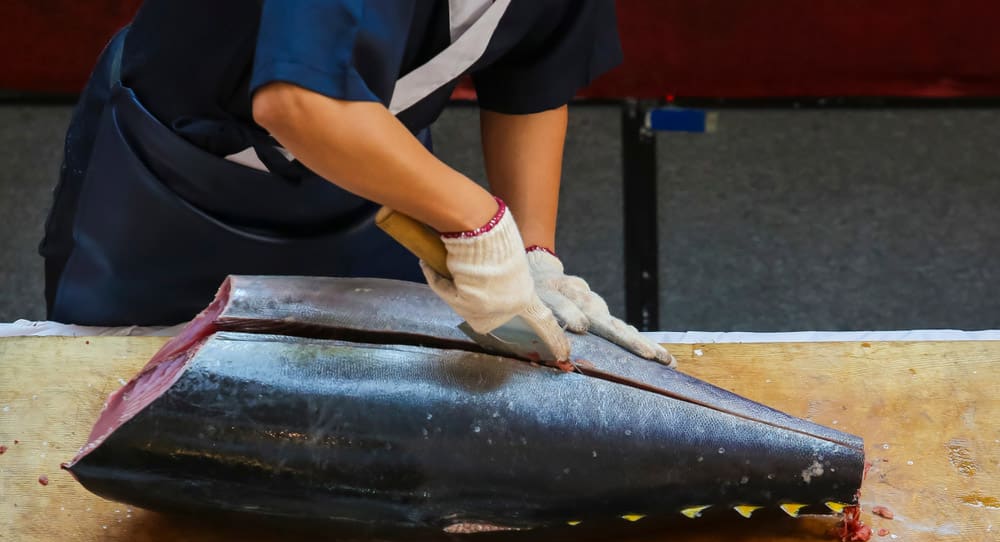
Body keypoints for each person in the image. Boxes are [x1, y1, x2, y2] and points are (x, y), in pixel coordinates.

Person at [40, 0, 674, 366]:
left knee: (368, 412)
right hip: (167, 179)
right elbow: (298, 102)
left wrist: (534, 255)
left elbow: (535, 78)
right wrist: (477, 222)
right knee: (113, 401)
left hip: (369, 188)